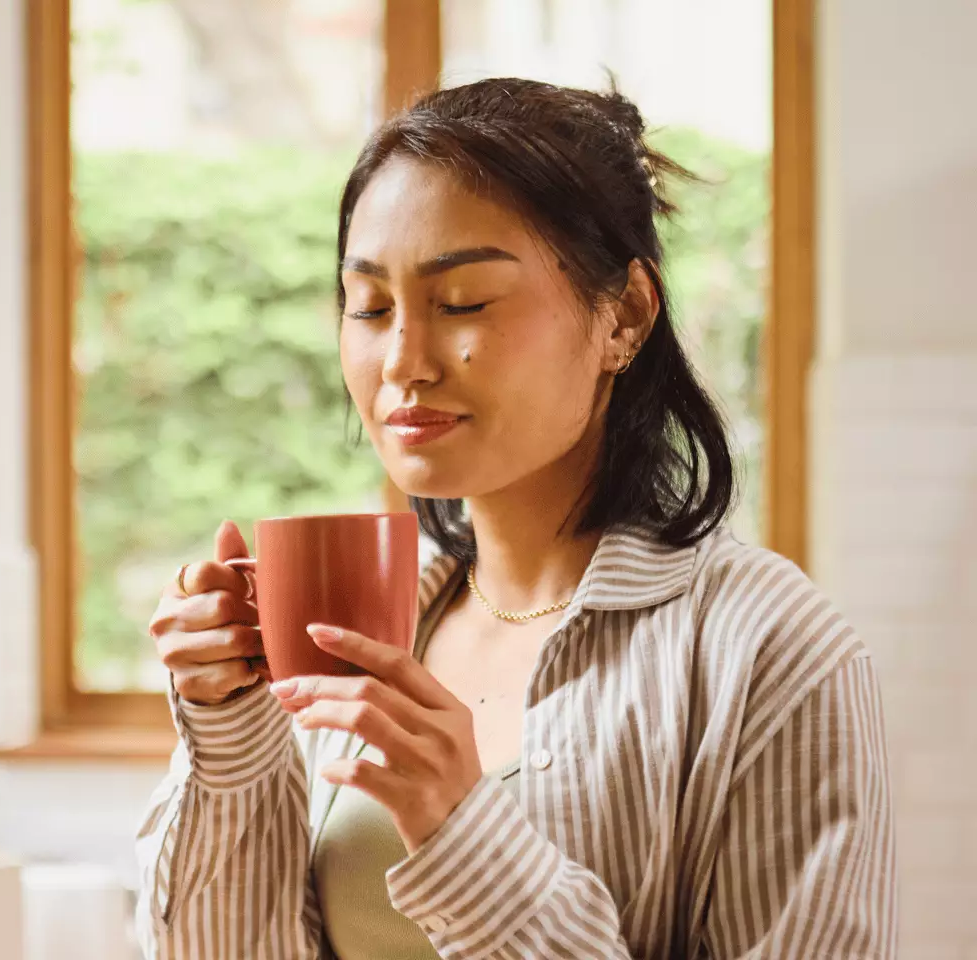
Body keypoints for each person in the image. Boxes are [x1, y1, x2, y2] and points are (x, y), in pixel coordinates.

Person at [134, 78, 896, 960]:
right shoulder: (354, 632)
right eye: (371, 307)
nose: (404, 363)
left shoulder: (771, 652)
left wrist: (466, 839)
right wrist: (227, 732)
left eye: (463, 304)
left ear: (625, 316)